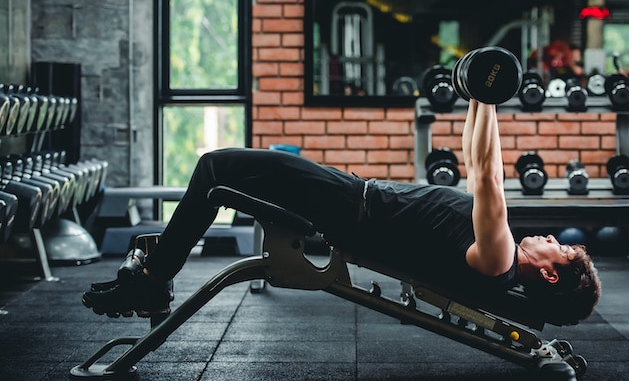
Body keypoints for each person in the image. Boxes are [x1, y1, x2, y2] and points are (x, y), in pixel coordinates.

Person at [83, 100, 601, 326]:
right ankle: (155, 273)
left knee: (216, 167)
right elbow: (475, 164)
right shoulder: (498, 255)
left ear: (550, 272)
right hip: (353, 199)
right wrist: (474, 97)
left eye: (560, 246)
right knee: (219, 179)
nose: (552, 237)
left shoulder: (498, 260)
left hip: (352, 208)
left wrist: (487, 100)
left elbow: (488, 175)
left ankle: (153, 278)